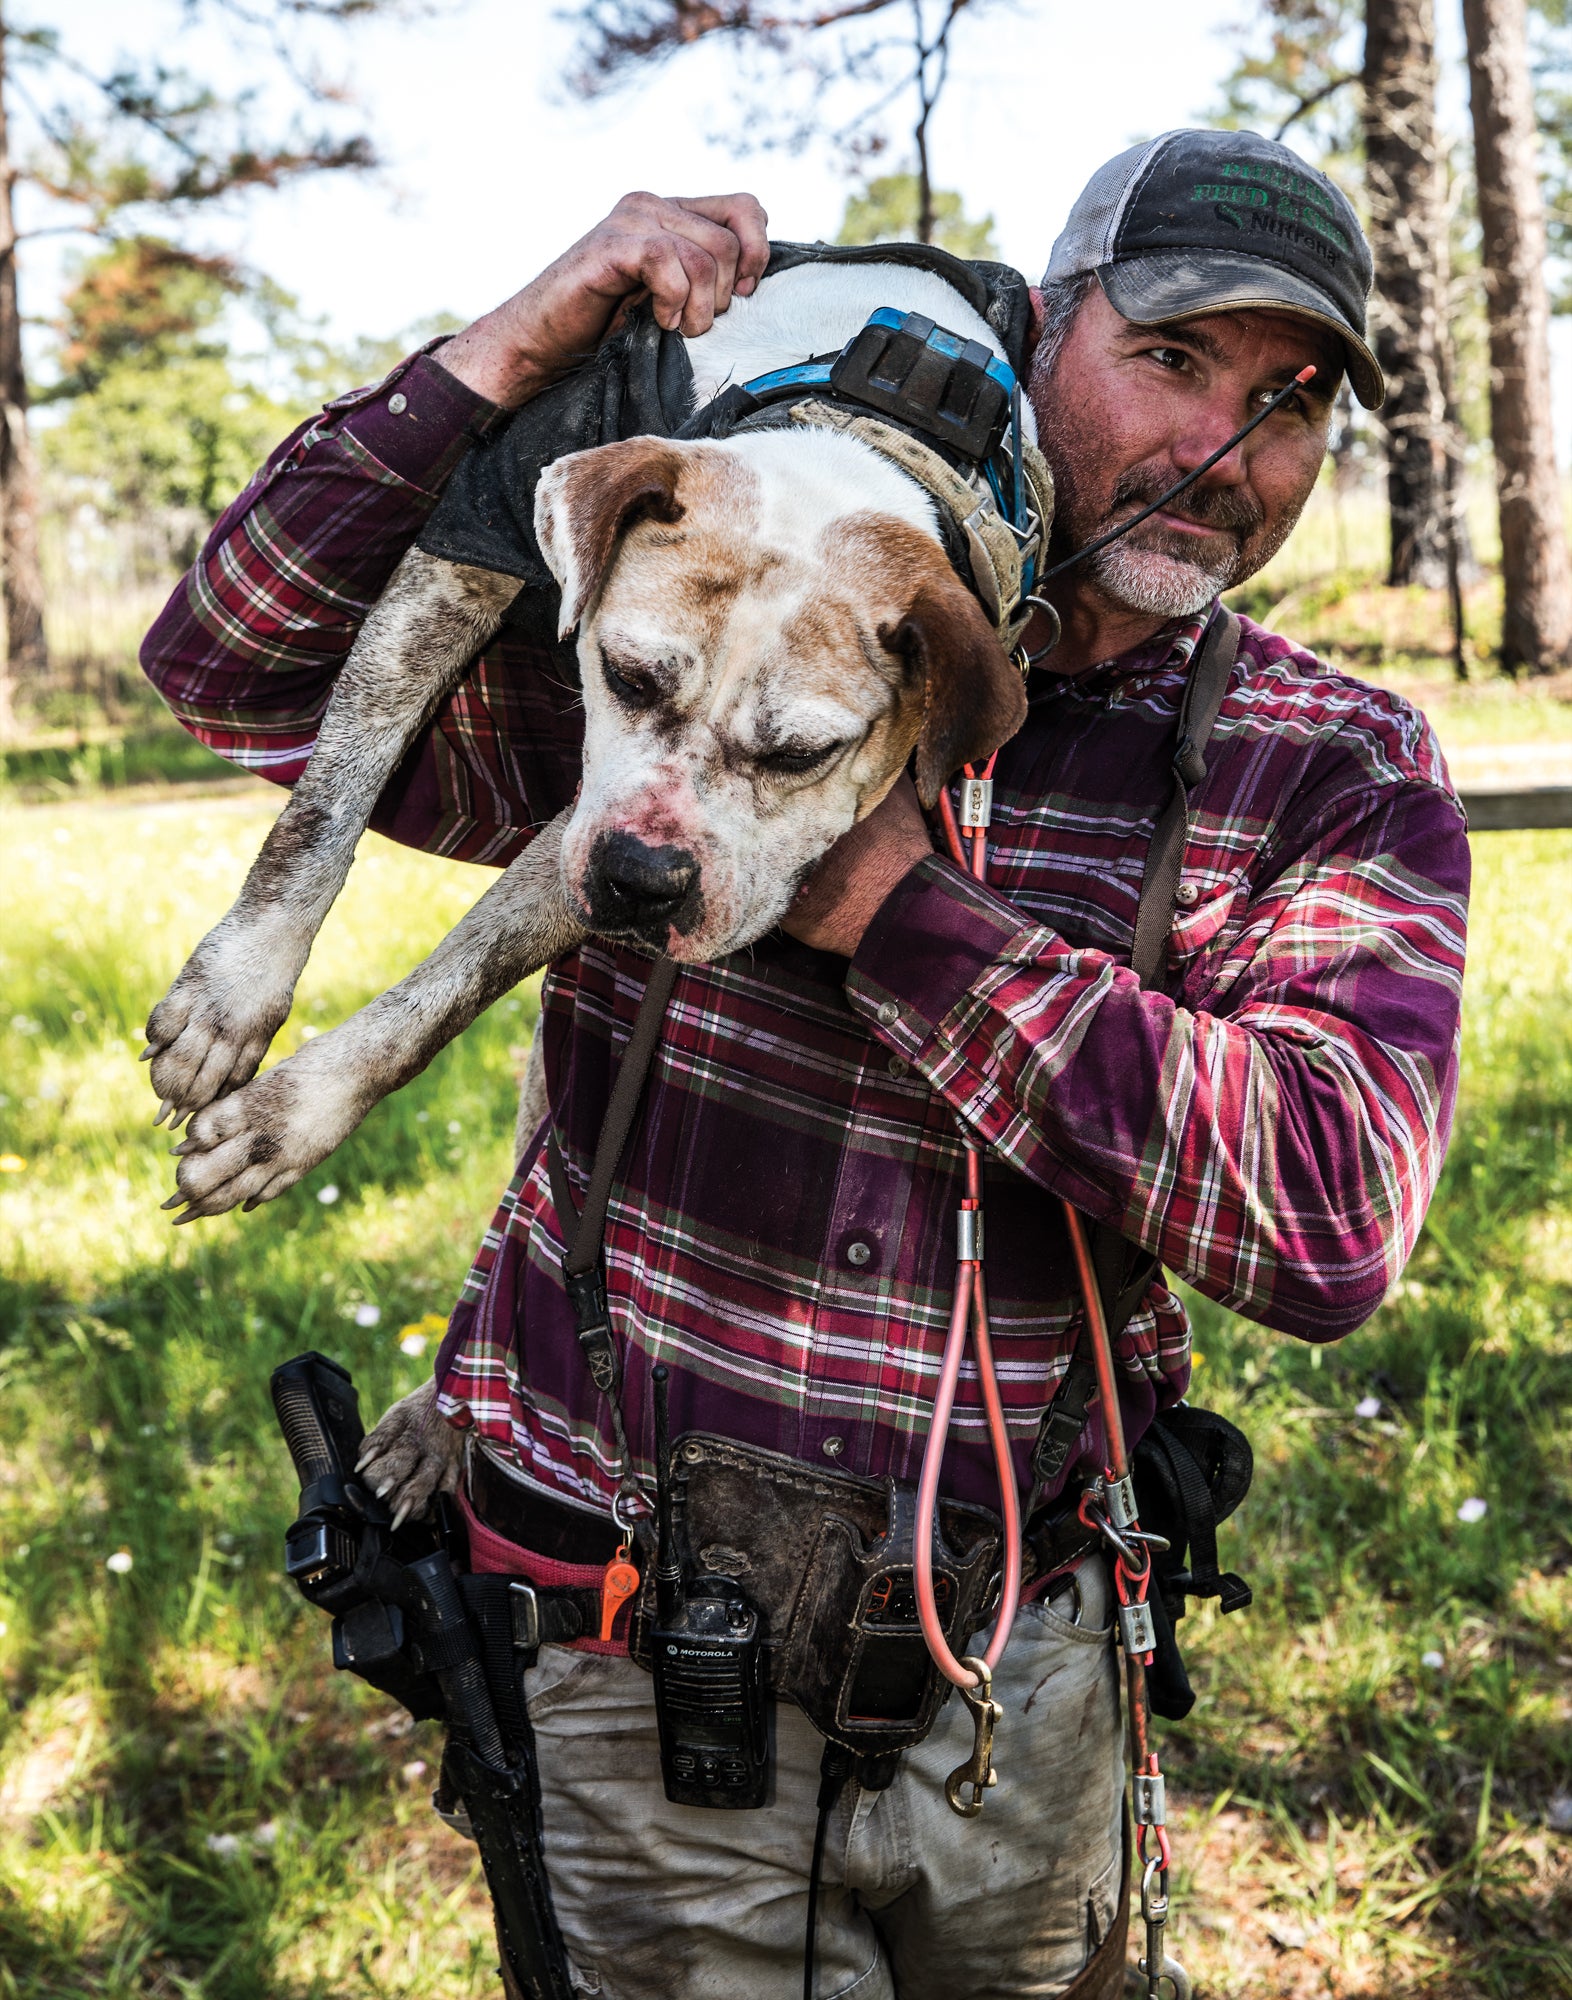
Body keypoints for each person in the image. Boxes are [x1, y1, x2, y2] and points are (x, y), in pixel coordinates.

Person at [142, 129, 1469, 2000]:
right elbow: (243, 664)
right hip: (624, 1652)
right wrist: (515, 348)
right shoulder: (688, 620)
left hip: (1018, 1676)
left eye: (1289, 402)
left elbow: (1332, 1218)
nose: (1223, 453)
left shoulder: (1314, 761)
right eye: (1170, 361)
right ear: (1042, 320)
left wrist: (888, 907)